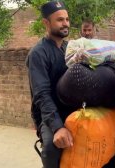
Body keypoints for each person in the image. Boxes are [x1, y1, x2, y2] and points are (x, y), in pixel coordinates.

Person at [26, 1, 75, 168]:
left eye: (67, 19)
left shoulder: (71, 49)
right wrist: (58, 127)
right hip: (49, 115)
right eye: (60, 20)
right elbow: (41, 94)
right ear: (46, 23)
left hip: (70, 108)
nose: (65, 24)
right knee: (51, 148)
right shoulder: (38, 53)